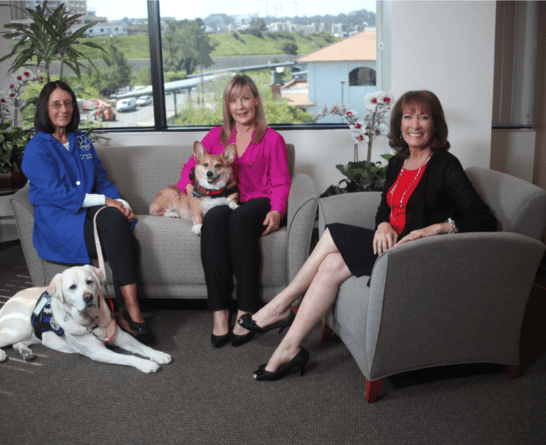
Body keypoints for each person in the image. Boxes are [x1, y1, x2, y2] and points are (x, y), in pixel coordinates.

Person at [239, 90, 497, 381]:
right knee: (330, 265)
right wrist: (383, 225)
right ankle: (287, 349)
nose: (415, 124)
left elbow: (485, 219)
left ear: (435, 125)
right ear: (399, 125)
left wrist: (437, 228)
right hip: (391, 246)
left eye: (424, 117)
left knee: (333, 233)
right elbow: (382, 211)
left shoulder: (445, 165)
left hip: (416, 255)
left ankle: (280, 305)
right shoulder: (397, 164)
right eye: (408, 117)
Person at [21, 81, 154, 343]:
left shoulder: (81, 140)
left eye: (68, 103)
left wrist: (120, 202)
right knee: (117, 229)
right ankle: (131, 312)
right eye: (56, 104)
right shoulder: (37, 148)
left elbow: (101, 179)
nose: (64, 109)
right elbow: (56, 193)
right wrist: (105, 200)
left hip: (88, 213)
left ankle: (130, 309)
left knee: (116, 221)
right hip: (60, 221)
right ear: (44, 110)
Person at [177, 75, 291, 348]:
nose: (240, 106)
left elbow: (281, 182)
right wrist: (189, 188)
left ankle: (245, 308)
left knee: (239, 220)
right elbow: (188, 170)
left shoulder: (272, 139)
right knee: (213, 221)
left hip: (258, 200)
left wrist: (277, 210)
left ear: (256, 100)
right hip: (223, 199)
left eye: (245, 98)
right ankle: (219, 311)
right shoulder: (217, 135)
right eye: (233, 100)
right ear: (227, 106)